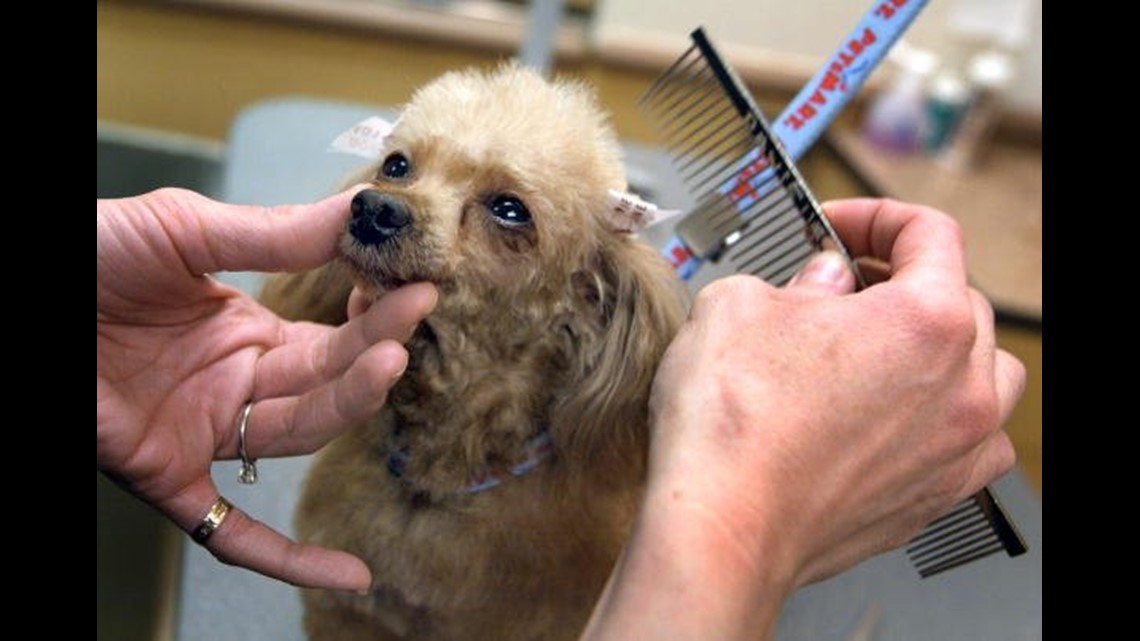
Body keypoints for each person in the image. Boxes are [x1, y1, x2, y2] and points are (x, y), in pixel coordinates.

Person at [97, 188, 1024, 639]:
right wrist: (754, 517)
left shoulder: (584, 516)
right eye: (400, 169)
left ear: (584, 298)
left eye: (503, 209)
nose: (404, 205)